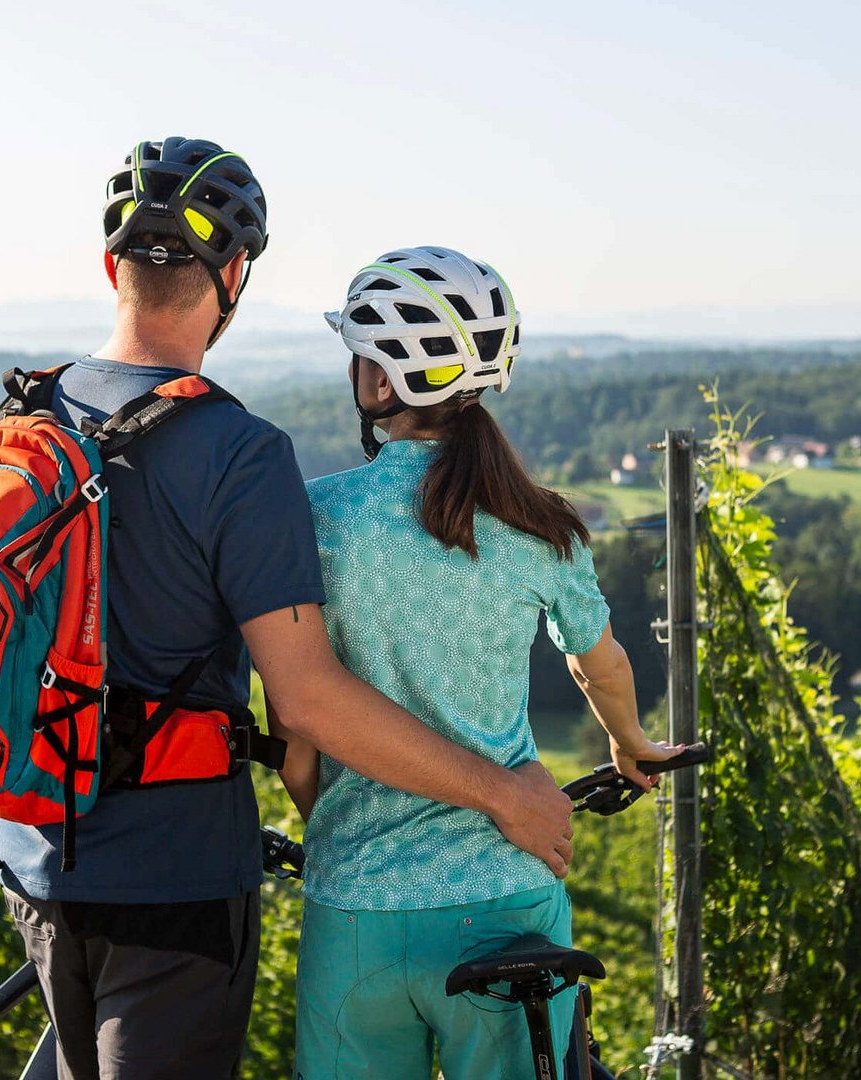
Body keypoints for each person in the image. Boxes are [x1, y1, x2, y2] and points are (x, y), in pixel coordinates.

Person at [0, 143, 575, 1080]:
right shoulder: (238, 451)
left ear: (112, 268)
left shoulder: (24, 420)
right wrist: (508, 792)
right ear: (233, 276)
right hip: (174, 874)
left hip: (32, 853)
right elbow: (306, 702)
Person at [280, 246, 679, 1079]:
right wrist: (629, 742)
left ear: (382, 384)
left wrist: (321, 804)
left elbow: (298, 731)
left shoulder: (315, 517)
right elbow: (598, 666)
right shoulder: (540, 523)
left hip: (357, 905)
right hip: (508, 897)